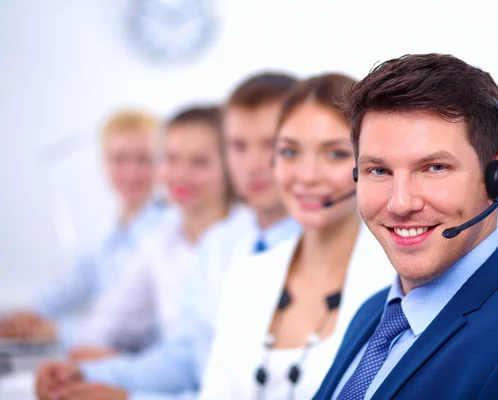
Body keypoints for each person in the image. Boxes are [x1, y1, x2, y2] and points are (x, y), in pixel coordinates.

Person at [313, 53, 498, 400]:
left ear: (497, 178)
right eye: (379, 170)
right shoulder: (374, 313)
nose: (400, 203)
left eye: (434, 168)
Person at [34, 72, 303, 400]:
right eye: (239, 146)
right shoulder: (218, 244)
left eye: (275, 146)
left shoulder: (313, 251)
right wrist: (85, 375)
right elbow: (186, 357)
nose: (254, 165)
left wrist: (126, 397)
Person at [199, 73, 394, 400]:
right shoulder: (245, 278)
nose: (307, 176)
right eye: (290, 152)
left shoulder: (400, 285)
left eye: (335, 154)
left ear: (372, 165)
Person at [0, 109, 165, 347]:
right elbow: (69, 285)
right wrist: (30, 316)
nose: (131, 172)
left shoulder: (167, 232)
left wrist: (56, 331)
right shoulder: (111, 237)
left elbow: (139, 326)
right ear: (104, 163)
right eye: (119, 159)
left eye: (144, 159)